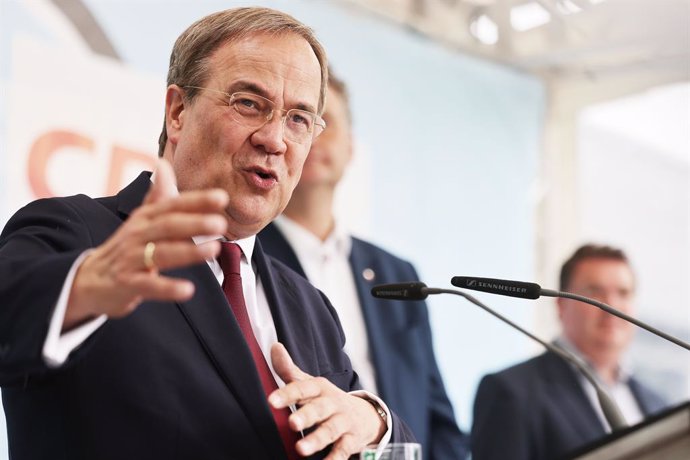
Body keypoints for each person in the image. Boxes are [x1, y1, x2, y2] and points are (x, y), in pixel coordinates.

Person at [0, 7, 415, 460]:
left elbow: (397, 445)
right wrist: (81, 288)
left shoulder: (310, 306)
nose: (275, 139)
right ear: (178, 112)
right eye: (249, 104)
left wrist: (373, 421)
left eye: (299, 118)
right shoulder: (81, 234)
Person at [258, 69, 468, 460]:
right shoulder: (246, 255)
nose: (315, 136)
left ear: (352, 147)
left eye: (328, 122)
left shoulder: (397, 273)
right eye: (301, 120)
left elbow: (438, 415)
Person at [471, 244, 667, 460]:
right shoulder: (510, 392)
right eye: (595, 292)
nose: (612, 305)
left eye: (623, 293)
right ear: (561, 305)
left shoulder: (657, 403)